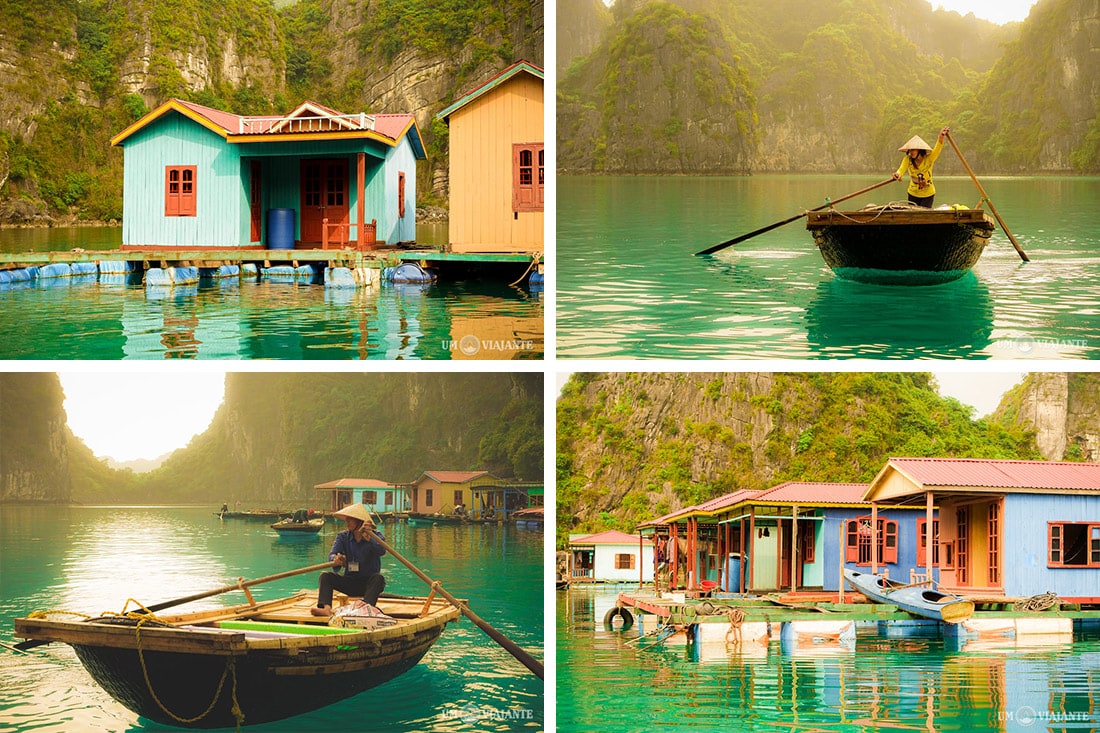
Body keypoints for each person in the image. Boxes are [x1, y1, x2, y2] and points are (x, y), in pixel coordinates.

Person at [310, 503, 387, 617]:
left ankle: (365, 609)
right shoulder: (343, 537)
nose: (347, 522)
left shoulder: (375, 536)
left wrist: (370, 539)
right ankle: (326, 609)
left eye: (350, 520)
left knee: (378, 579)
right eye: (347, 520)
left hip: (368, 584)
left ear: (359, 521)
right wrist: (336, 559)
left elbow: (382, 550)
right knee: (325, 576)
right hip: (349, 581)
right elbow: (332, 555)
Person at [892, 127, 949, 208]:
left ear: (919, 150)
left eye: (913, 150)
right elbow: (901, 170)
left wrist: (941, 136)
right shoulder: (907, 159)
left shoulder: (929, 159)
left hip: (928, 194)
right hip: (913, 193)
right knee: (912, 216)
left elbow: (937, 149)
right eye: (910, 150)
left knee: (923, 216)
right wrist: (897, 175)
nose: (911, 152)